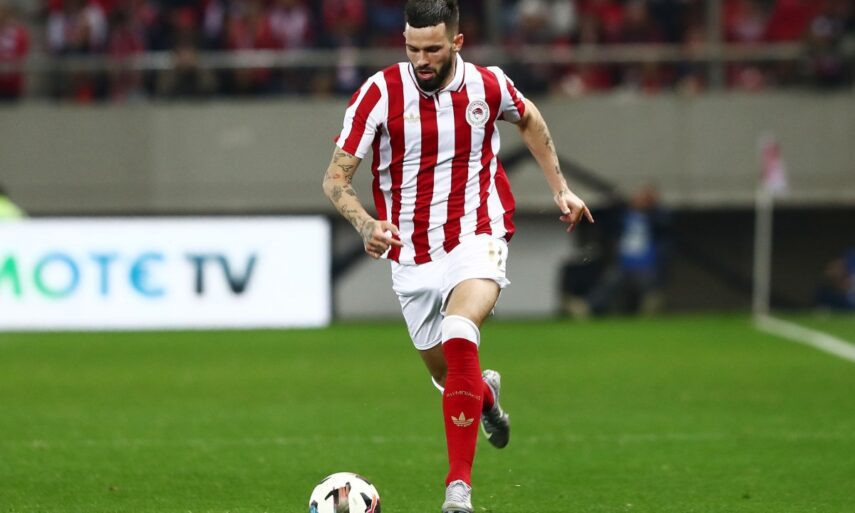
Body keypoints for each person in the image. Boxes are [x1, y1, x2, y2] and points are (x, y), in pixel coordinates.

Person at [321, 2, 593, 512]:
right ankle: (485, 396)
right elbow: (335, 178)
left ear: (457, 43)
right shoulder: (379, 93)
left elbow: (530, 118)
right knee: (449, 377)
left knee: (460, 329)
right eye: (412, 48)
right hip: (410, 253)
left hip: (477, 231)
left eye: (432, 49)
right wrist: (367, 224)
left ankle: (458, 490)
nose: (421, 60)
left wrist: (560, 188)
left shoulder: (487, 86)